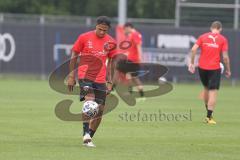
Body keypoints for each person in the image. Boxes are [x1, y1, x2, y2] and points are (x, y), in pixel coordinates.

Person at [67, 16, 115, 147]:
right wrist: (71, 76)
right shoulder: (84, 37)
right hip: (85, 75)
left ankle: (90, 136)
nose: (102, 32)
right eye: (100, 29)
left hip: (101, 79)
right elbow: (74, 55)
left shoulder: (111, 42)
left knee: (100, 110)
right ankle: (85, 135)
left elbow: (111, 62)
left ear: (108, 29)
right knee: (90, 101)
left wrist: (110, 81)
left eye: (104, 30)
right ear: (96, 26)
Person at [188, 21, 231, 124]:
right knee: (213, 92)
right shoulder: (223, 39)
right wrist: (228, 69)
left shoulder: (203, 36)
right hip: (214, 68)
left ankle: (208, 112)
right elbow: (225, 58)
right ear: (220, 29)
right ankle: (209, 117)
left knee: (206, 89)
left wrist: (192, 63)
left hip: (202, 68)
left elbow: (193, 49)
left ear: (211, 28)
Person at [113, 22, 144, 98]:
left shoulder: (135, 34)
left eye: (124, 29)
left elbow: (138, 46)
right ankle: (141, 93)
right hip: (133, 59)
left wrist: (140, 57)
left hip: (132, 60)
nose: (124, 31)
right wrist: (127, 53)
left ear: (128, 28)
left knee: (117, 67)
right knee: (133, 76)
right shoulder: (134, 35)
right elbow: (133, 48)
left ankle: (112, 88)